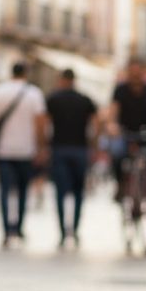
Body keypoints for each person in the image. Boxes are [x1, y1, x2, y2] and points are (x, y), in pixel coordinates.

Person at [0, 61, 48, 247]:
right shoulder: (34, 94)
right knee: (22, 191)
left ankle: (5, 231)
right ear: (26, 72)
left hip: (3, 150)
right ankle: (18, 228)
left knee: (4, 191)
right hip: (26, 150)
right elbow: (40, 123)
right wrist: (41, 147)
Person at [106, 59, 146, 219]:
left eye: (138, 72)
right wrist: (111, 125)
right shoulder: (120, 90)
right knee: (117, 156)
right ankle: (120, 187)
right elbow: (113, 111)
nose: (135, 75)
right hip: (125, 134)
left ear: (143, 73)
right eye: (132, 72)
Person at [46, 68, 97, 247]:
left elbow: (45, 123)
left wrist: (43, 147)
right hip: (80, 149)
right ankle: (74, 230)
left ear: (62, 80)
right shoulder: (85, 100)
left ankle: (62, 232)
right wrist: (94, 146)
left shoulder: (53, 99)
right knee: (78, 193)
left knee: (60, 193)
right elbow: (95, 124)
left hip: (59, 149)